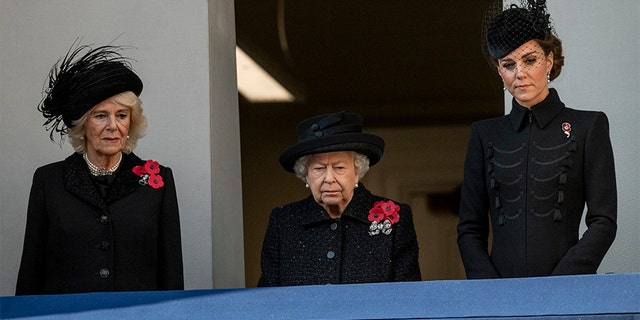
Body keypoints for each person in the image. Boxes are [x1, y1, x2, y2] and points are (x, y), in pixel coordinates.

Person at [457, 0, 617, 279]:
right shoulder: (484, 134)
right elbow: (470, 228)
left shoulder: (589, 126)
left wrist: (563, 282)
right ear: (499, 71)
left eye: (530, 60)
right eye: (508, 64)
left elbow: (603, 221)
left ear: (549, 60)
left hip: (568, 291)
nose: (520, 73)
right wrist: (491, 291)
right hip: (498, 298)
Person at [16, 42, 184, 295]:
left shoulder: (157, 180)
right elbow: (31, 269)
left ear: (131, 123)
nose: (113, 126)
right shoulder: (48, 181)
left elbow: (170, 273)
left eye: (122, 115)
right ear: (83, 125)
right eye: (100, 115)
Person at [258, 111, 421, 286]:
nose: (329, 178)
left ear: (357, 171)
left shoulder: (395, 218)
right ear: (305, 175)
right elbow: (268, 298)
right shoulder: (283, 221)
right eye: (319, 168)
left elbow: (408, 296)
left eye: (340, 167)